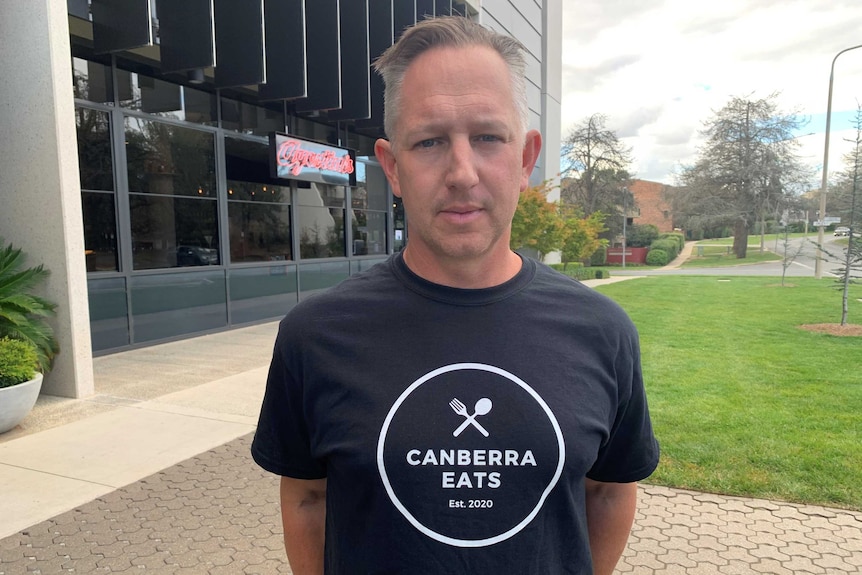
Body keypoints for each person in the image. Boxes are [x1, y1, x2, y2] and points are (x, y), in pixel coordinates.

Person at [252, 15, 659, 575]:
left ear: (525, 159)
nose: (462, 172)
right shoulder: (315, 335)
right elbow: (306, 497)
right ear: (392, 167)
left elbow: (609, 491)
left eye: (488, 137)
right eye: (430, 141)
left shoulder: (602, 331)